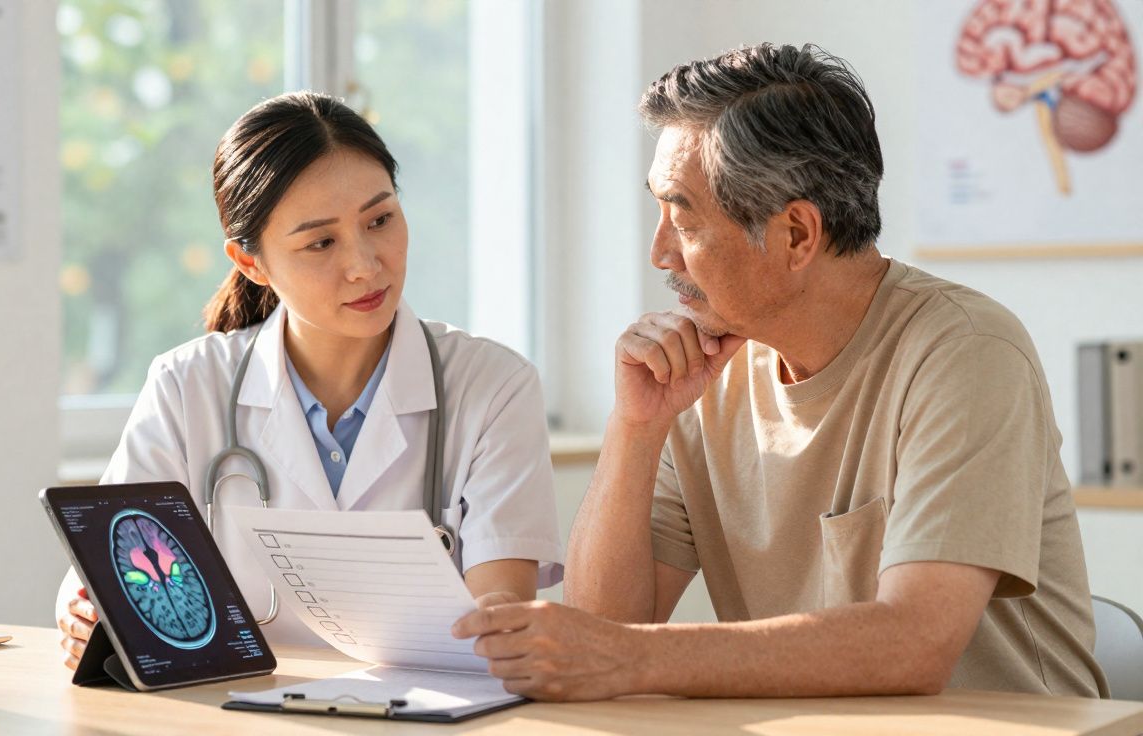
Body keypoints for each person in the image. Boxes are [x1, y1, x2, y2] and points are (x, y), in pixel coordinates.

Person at [453, 44, 1107, 701]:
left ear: (797, 235)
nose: (658, 253)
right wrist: (636, 427)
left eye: (682, 218)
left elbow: (914, 643)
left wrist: (634, 658)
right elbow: (600, 632)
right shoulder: (705, 372)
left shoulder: (968, 352)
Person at [56, 92, 562, 668]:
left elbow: (499, 616)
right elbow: (108, 575)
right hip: (231, 714)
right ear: (252, 264)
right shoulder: (185, 386)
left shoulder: (494, 386)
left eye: (380, 219)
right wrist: (83, 616)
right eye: (321, 242)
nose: (365, 264)